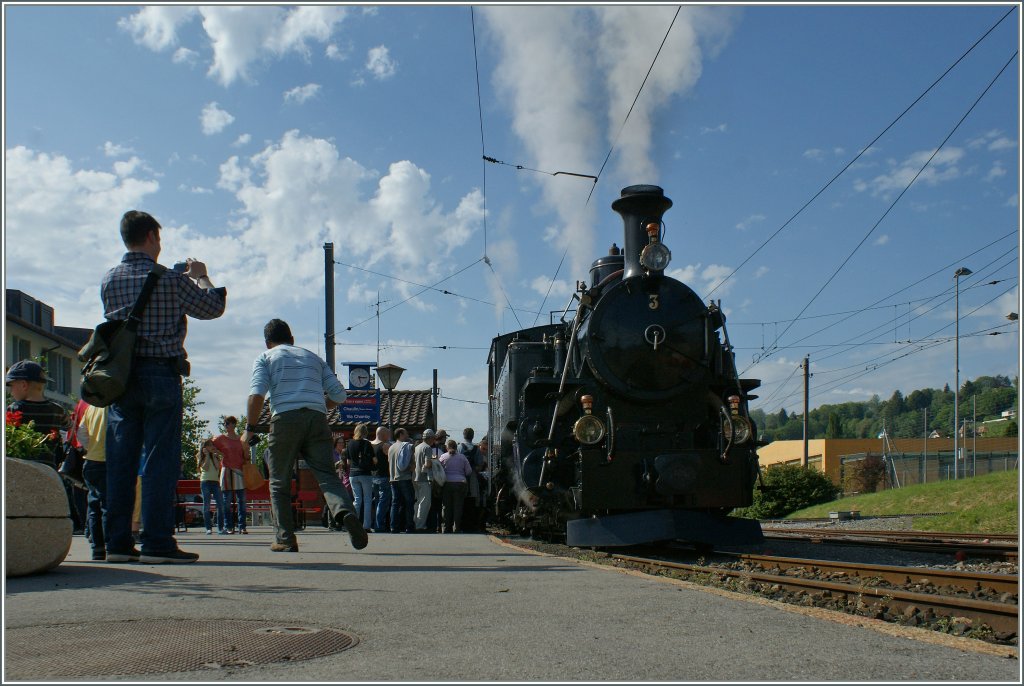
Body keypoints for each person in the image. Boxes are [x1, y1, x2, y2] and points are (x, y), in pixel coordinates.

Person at [100, 209, 226, 564]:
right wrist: (200, 277)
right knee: (159, 459)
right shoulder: (171, 280)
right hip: (160, 373)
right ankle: (157, 542)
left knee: (121, 460)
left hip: (121, 378)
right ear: (153, 236)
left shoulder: (110, 278)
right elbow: (211, 308)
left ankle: (118, 543)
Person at [241, 319, 367, 553]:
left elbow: (256, 395)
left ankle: (285, 538)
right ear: (292, 339)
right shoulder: (313, 358)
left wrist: (249, 428)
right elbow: (339, 395)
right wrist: (321, 405)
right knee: (327, 476)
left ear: (268, 342)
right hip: (317, 419)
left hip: (285, 420)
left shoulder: (266, 358)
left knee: (279, 482)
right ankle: (345, 512)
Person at [78, 402, 109, 560]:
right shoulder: (114, 407)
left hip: (91, 461)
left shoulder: (91, 408)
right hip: (109, 460)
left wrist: (91, 447)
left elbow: (82, 433)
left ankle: (97, 547)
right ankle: (111, 545)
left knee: (94, 506)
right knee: (108, 506)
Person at [214, 417, 249, 535]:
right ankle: (228, 526)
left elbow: (246, 457)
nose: (225, 425)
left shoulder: (241, 439)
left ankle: (242, 527)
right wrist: (218, 453)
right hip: (227, 470)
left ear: (234, 425)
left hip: (239, 471)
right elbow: (206, 445)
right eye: (224, 423)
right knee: (226, 501)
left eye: (227, 423)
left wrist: (247, 451)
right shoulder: (220, 438)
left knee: (242, 501)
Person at [439, 439, 474, 533]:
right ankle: (456, 528)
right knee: (458, 506)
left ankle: (446, 528)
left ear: (447, 447)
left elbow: (438, 470)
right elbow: (469, 471)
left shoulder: (443, 457)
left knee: (446, 506)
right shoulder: (462, 457)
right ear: (456, 447)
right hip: (460, 483)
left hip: (447, 483)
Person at [345, 423, 376, 531]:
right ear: (365, 432)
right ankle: (366, 526)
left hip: (353, 474)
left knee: (357, 500)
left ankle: (354, 525)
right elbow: (374, 460)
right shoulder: (367, 444)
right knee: (367, 500)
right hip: (365, 473)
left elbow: (348, 462)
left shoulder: (349, 443)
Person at [387, 427, 415, 534]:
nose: (407, 435)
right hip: (404, 477)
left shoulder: (391, 447)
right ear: (401, 434)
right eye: (406, 433)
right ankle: (409, 526)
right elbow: (409, 464)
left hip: (393, 478)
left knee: (395, 503)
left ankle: (394, 527)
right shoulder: (406, 446)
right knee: (409, 502)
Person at [197, 438, 226, 535]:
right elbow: (205, 467)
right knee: (207, 505)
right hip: (205, 482)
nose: (212, 447)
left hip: (215, 482)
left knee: (220, 505)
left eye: (212, 445)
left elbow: (218, 467)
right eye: (210, 445)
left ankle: (220, 528)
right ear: (205, 447)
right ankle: (208, 528)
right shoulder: (200, 456)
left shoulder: (215, 456)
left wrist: (214, 456)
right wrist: (207, 456)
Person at [459, 427, 485, 532]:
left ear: (463, 435)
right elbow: (480, 464)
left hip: (461, 477)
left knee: (462, 501)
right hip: (473, 476)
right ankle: (472, 526)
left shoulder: (459, 447)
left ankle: (462, 525)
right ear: (473, 436)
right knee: (473, 501)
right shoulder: (477, 449)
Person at [412, 429, 437, 532]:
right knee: (425, 503)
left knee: (418, 502)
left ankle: (416, 522)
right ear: (431, 438)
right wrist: (434, 462)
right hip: (424, 478)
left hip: (415, 477)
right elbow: (427, 464)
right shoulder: (427, 448)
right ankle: (420, 525)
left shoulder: (417, 447)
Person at [369, 426, 392, 533]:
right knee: (383, 502)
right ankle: (379, 525)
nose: (389, 436)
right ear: (383, 435)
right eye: (388, 434)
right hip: (384, 477)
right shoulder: (385, 445)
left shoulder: (370, 444)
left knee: (377, 501)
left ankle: (374, 523)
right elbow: (391, 461)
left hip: (373, 477)